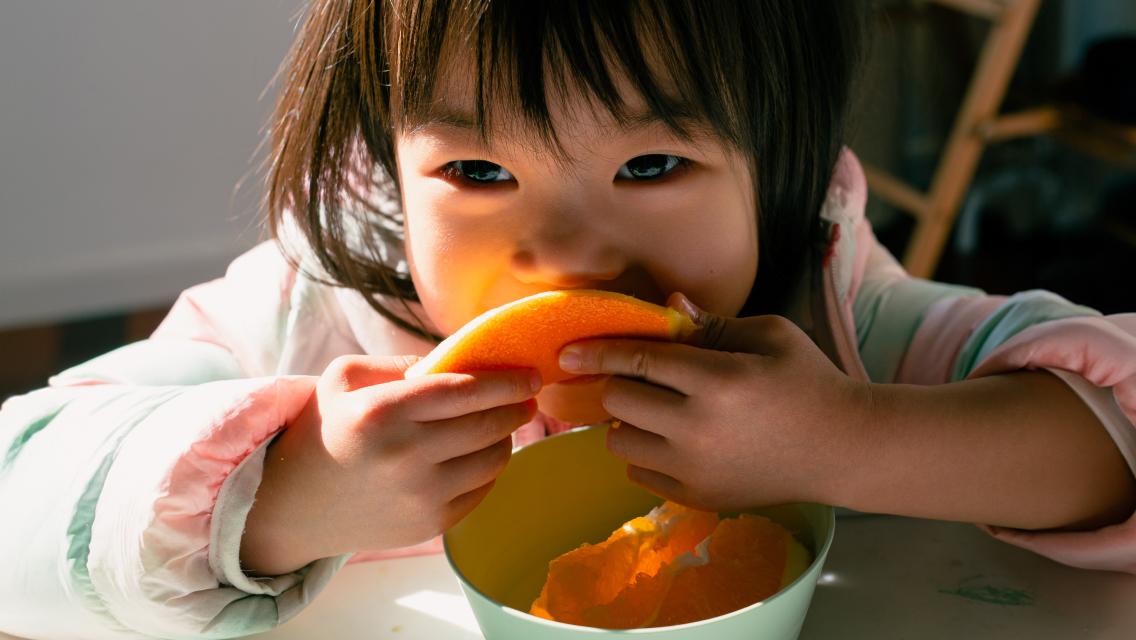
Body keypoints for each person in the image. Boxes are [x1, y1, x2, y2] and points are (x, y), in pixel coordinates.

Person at [2, 1, 1134, 637]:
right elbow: (20, 489)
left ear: (772, 173)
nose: (567, 255)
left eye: (651, 162)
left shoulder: (827, 320)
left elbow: (1110, 429)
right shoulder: (320, 315)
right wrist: (291, 487)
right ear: (394, 178)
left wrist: (847, 438)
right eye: (476, 171)